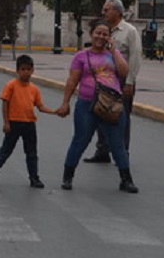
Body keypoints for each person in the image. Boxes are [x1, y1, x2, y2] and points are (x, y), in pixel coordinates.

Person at [56, 19, 138, 193]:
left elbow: (124, 72)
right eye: (98, 33)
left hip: (112, 105)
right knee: (80, 140)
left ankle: (126, 180)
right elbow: (72, 80)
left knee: (118, 143)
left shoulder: (113, 55)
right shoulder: (81, 56)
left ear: (109, 37)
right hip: (87, 104)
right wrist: (65, 102)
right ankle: (68, 176)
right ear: (91, 34)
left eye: (105, 34)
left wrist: (114, 51)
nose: (101, 36)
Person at [0, 55, 58, 188]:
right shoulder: (11, 86)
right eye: (23, 69)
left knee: (31, 153)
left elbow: (40, 107)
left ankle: (34, 178)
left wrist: (55, 111)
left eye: (28, 69)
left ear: (33, 70)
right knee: (5, 151)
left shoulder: (34, 89)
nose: (26, 72)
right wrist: (6, 122)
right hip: (14, 123)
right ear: (17, 70)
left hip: (29, 124)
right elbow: (5, 104)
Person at [84, 0, 141, 163]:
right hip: (105, 79)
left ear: (117, 12)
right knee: (101, 111)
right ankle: (102, 150)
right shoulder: (105, 30)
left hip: (123, 80)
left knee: (122, 116)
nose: (103, 12)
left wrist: (130, 81)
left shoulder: (129, 31)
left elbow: (135, 56)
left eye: (107, 9)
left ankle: (122, 152)